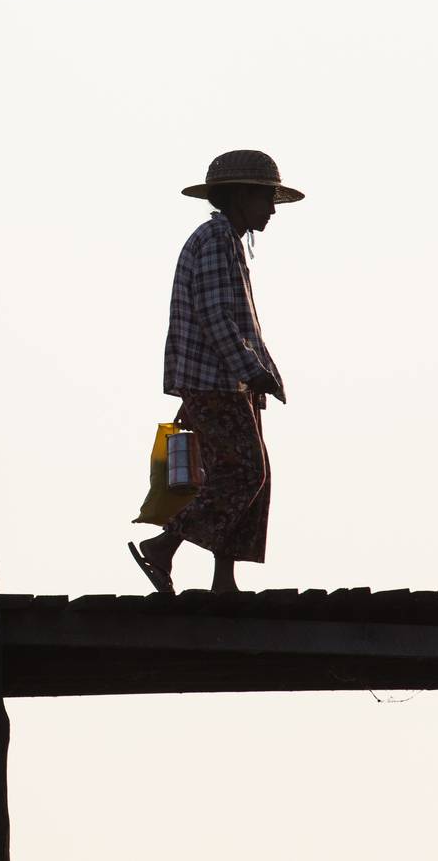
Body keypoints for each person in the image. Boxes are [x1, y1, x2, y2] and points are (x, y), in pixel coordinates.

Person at [128, 149, 303, 594]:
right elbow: (214, 314)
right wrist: (252, 369)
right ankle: (164, 545)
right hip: (217, 380)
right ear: (241, 196)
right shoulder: (215, 238)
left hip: (227, 381)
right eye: (266, 199)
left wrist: (254, 376)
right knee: (245, 471)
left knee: (246, 475)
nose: (270, 210)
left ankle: (223, 579)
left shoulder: (224, 239)